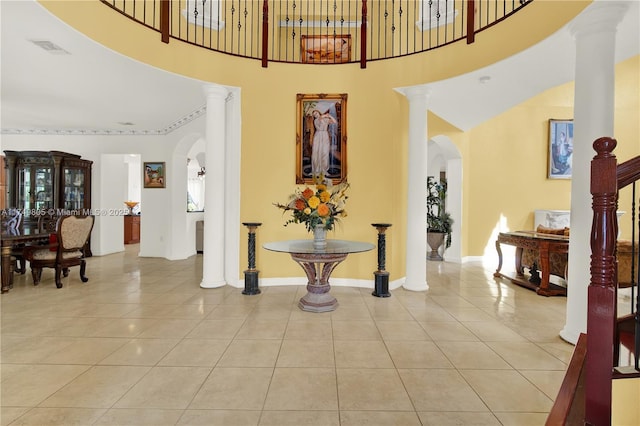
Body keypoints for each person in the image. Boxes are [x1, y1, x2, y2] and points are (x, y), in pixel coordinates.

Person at [310, 109, 337, 180]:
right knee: (317, 152)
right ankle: (317, 170)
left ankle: (324, 170)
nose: (315, 115)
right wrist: (325, 115)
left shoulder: (325, 119)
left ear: (319, 112)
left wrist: (330, 116)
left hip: (325, 136)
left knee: (325, 153)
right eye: (314, 115)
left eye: (316, 113)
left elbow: (334, 121)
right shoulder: (316, 121)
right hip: (318, 136)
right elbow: (320, 118)